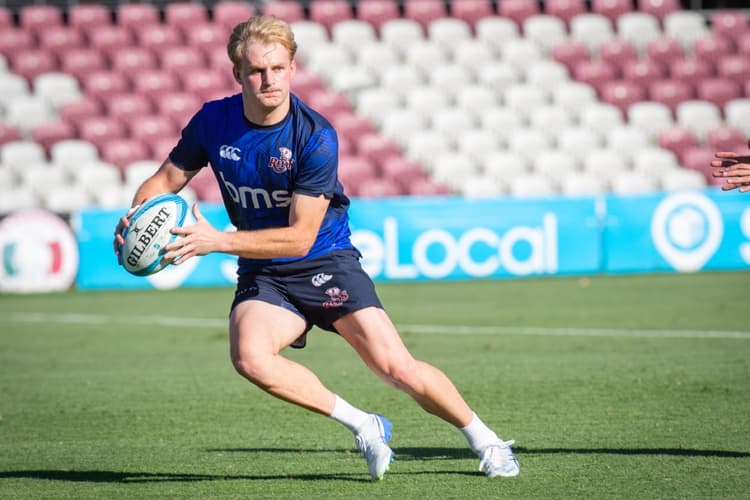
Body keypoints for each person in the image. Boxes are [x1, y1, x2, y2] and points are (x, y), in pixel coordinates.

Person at [113, 15, 519, 480]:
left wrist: (218, 241)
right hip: (266, 273)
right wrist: (133, 220)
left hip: (325, 261)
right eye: (256, 71)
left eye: (278, 69)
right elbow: (164, 182)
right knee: (250, 358)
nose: (268, 80)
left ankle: (486, 440)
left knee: (396, 369)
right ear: (237, 74)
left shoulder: (315, 137)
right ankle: (365, 425)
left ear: (292, 68)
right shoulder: (214, 121)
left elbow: (300, 236)